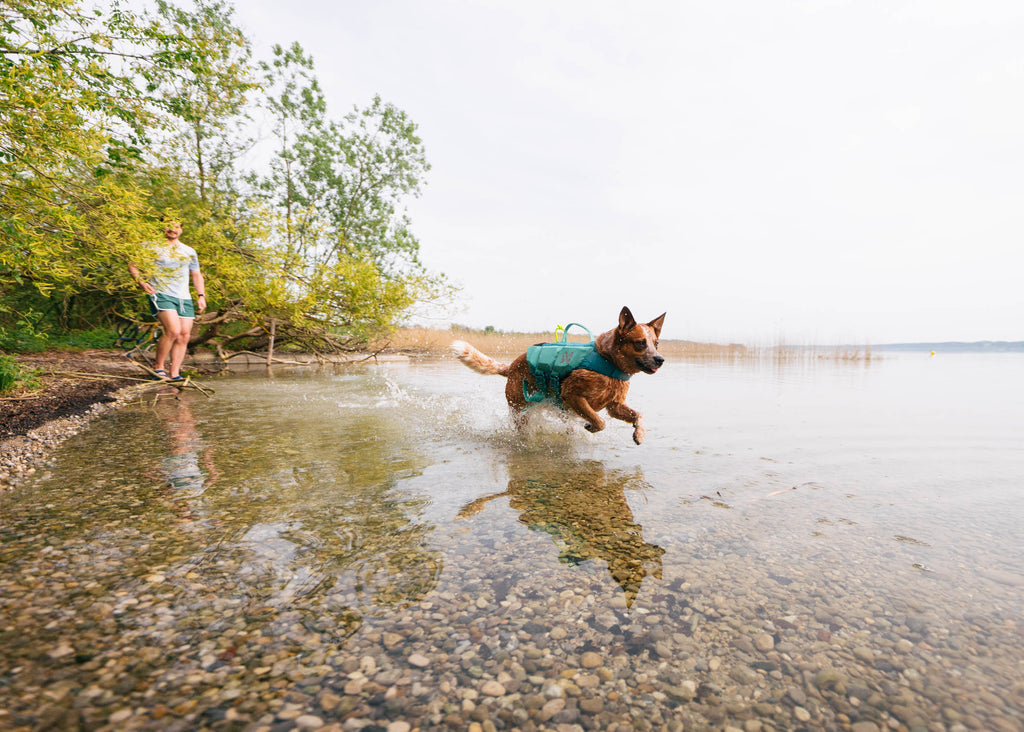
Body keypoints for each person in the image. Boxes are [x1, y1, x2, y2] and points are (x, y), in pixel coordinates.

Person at [128, 219, 207, 381]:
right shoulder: (150, 246)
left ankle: (175, 373)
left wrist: (201, 296)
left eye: (177, 227)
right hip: (161, 293)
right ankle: (158, 367)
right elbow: (133, 264)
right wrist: (140, 282)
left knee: (184, 335)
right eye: (169, 226)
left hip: (183, 296)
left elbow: (196, 274)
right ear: (163, 228)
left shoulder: (189, 251)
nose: (173, 230)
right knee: (173, 330)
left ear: (181, 230)